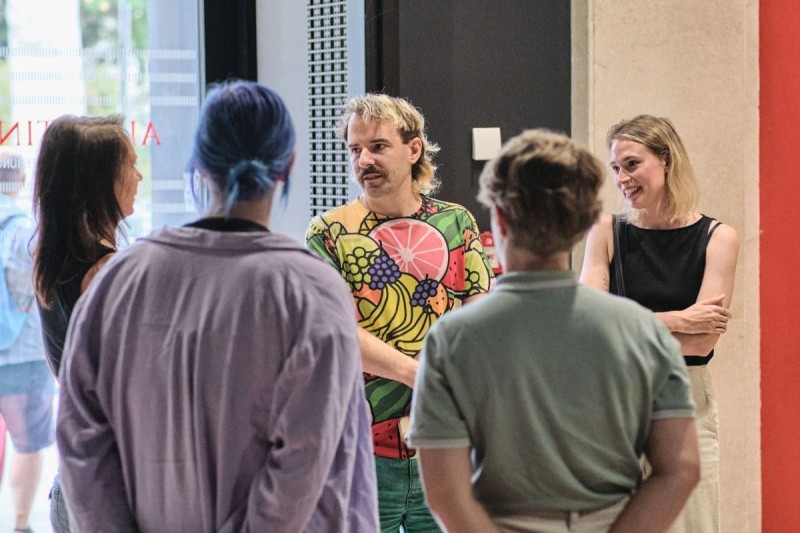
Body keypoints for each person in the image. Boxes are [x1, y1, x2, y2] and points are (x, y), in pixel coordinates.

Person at [56, 80, 379, 532]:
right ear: (287, 165)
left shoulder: (121, 282)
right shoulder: (309, 291)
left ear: (200, 163)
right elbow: (306, 461)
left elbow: (81, 442)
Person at [408, 129, 702, 532]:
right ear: (582, 225)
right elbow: (680, 468)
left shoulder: (452, 339)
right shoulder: (642, 331)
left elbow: (445, 492)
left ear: (501, 219)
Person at [306, 93, 494, 532]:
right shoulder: (329, 232)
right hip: (363, 449)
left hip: (447, 442)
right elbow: (338, 332)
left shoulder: (457, 223)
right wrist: (420, 374)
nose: (364, 160)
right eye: (355, 149)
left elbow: (481, 316)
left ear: (414, 149)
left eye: (377, 146)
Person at [580, 115, 739, 533]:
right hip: (616, 400)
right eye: (615, 168)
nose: (622, 178)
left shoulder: (718, 238)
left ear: (666, 160)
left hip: (687, 397)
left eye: (632, 164)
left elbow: (701, 342)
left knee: (694, 525)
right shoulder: (606, 230)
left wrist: (624, 325)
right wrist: (678, 319)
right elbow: (589, 328)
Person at [32, 113, 142, 532]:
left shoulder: (50, 261)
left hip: (77, 476)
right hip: (117, 486)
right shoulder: (108, 271)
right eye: (129, 165)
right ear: (101, 181)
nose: (139, 175)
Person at [0, 151, 55, 533]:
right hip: (22, 352)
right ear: (19, 181)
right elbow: (36, 286)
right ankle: (19, 523)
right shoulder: (24, 229)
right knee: (27, 442)